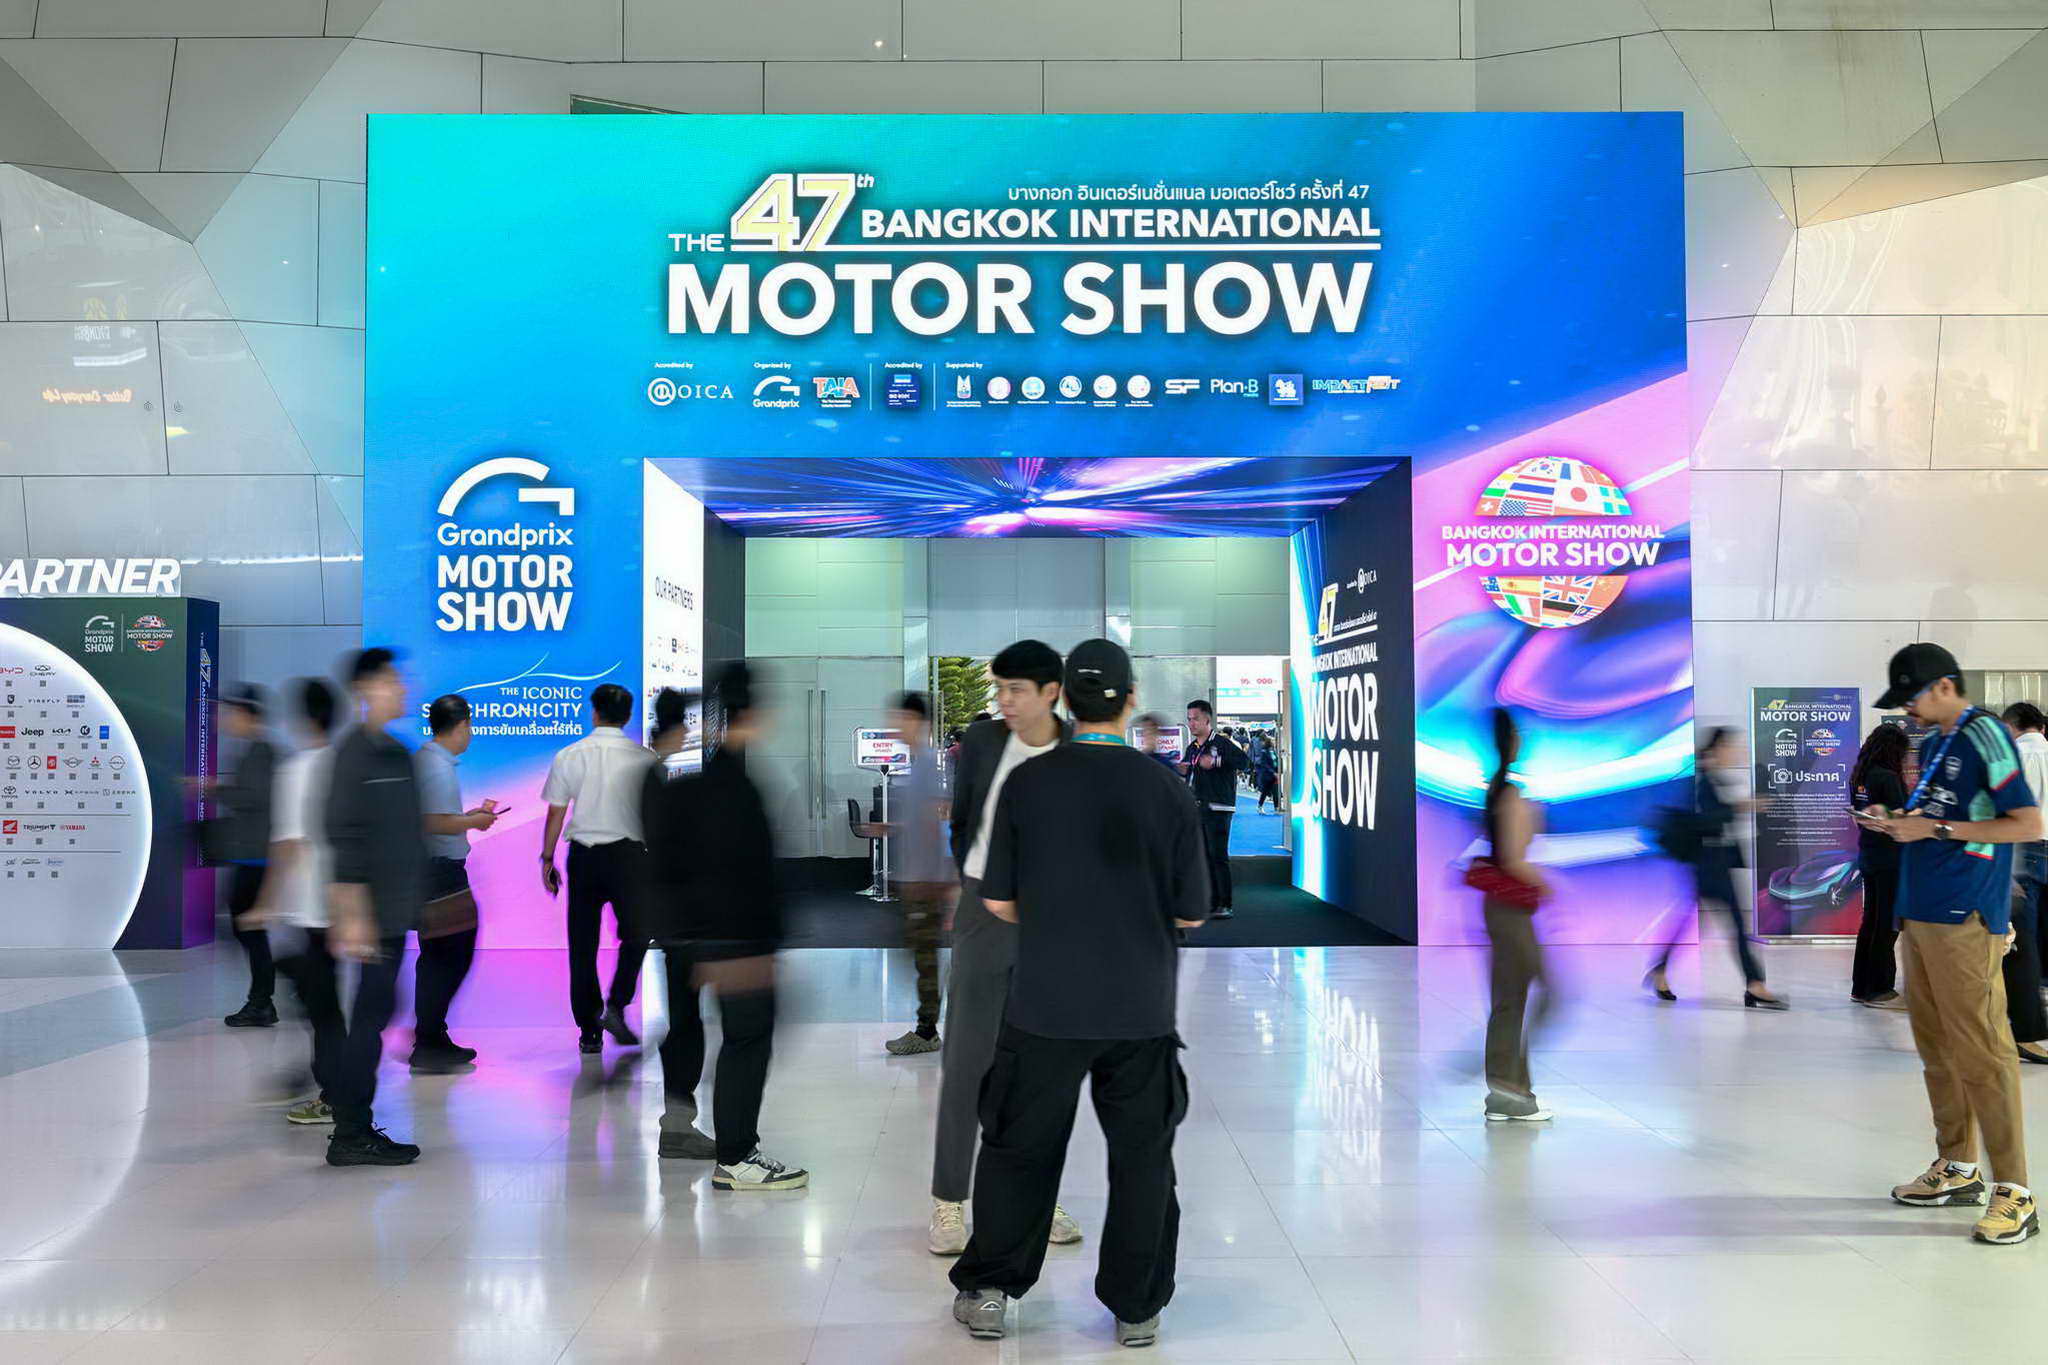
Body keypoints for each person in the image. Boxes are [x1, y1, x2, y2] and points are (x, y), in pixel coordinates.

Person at [948, 638, 1207, 1348]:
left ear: (1062, 699)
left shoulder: (1027, 784)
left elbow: (997, 899)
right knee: (1142, 1157)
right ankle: (1136, 1305)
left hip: (1044, 1005)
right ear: (1130, 700)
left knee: (1018, 1149)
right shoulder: (1167, 789)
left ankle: (993, 1289)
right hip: (1140, 1008)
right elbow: (1191, 911)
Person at [1867, 643, 2040, 1245]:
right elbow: (1938, 817)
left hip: (1963, 914)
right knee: (1937, 1048)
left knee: (1984, 1052)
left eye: (1911, 697)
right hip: (1920, 913)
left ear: (1943, 686)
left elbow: (2026, 822)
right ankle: (1958, 1165)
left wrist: (1935, 828)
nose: (1906, 711)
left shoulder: (1985, 734)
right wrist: (1899, 821)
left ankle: (2015, 1191)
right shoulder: (1937, 742)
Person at [928, 641, 1082, 1257]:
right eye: (999, 689)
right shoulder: (984, 740)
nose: (1005, 702)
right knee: (967, 1062)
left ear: (1052, 693)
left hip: (1052, 924)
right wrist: (975, 884)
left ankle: (1037, 1198)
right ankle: (948, 1199)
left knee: (1043, 1069)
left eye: (1016, 689)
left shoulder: (1077, 751)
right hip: (984, 912)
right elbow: (964, 820)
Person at [641, 663, 806, 1190]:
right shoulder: (736, 789)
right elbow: (748, 873)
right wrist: (763, 941)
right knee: (746, 1041)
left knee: (698, 1032)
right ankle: (736, 1155)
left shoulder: (689, 784)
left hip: (689, 937)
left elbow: (663, 863)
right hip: (736, 939)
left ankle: (691, 1131)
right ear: (751, 715)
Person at [321, 648, 426, 1166]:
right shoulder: (354, 755)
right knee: (370, 1018)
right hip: (372, 914)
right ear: (364, 689)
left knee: (378, 1013)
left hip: (396, 910)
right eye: (390, 680)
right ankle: (350, 1131)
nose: (400, 687)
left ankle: (349, 1120)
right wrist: (354, 914)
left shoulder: (397, 753)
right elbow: (343, 838)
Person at [541, 682, 656, 1054]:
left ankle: (589, 1031)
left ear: (594, 713)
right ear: (628, 715)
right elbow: (653, 815)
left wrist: (547, 858)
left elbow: (556, 812)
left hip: (584, 858)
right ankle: (617, 1004)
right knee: (638, 933)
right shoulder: (644, 759)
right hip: (629, 857)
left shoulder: (570, 755)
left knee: (582, 945)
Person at [252, 677, 341, 1127]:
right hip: (346, 902)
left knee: (320, 1005)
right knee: (326, 1000)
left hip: (310, 905)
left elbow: (287, 844)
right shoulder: (346, 765)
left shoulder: (297, 770)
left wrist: (265, 902)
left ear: (302, 719)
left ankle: (333, 1093)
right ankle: (328, 1082)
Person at [1647, 727, 1785, 1008]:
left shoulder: (1714, 779)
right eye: (1731, 746)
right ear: (1716, 749)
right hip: (1709, 863)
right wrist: (1741, 807)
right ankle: (1754, 984)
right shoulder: (1703, 783)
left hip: (1715, 861)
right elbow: (1707, 821)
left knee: (1702, 920)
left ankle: (1660, 969)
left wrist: (1738, 808)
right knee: (1733, 922)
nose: (1736, 751)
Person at [641, 689, 717, 1161]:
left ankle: (678, 1121)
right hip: (680, 918)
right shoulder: (654, 781)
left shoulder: (655, 776)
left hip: (672, 916)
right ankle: (677, 1124)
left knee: (685, 1020)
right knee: (686, 1023)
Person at [411, 694, 499, 1074]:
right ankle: (429, 1038)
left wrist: (466, 818)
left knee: (437, 955)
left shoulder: (427, 761)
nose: (471, 733)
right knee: (452, 953)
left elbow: (436, 816)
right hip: (441, 872)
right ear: (461, 725)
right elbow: (432, 822)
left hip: (432, 869)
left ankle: (430, 1036)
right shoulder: (436, 767)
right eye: (470, 725)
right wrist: (473, 822)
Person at [1477, 708, 1554, 1122]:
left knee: (1512, 998)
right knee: (1527, 997)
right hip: (1509, 909)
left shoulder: (1499, 789)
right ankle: (1508, 1090)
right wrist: (1548, 885)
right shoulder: (1508, 794)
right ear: (1510, 741)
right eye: (1518, 733)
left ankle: (1510, 1091)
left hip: (1504, 907)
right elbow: (1512, 858)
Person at [883, 691, 953, 1056]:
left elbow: (936, 825)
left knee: (925, 960)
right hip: (918, 881)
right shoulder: (918, 766)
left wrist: (936, 881)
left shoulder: (926, 766)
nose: (896, 725)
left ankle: (927, 1032)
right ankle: (927, 1027)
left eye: (901, 718)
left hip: (925, 884)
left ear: (916, 721)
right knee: (920, 958)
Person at [219, 684, 279, 1028]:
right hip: (252, 856)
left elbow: (253, 798)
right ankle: (263, 999)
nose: (228, 720)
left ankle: (262, 1001)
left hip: (257, 858)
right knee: (248, 929)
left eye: (232, 713)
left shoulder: (261, 753)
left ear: (247, 714)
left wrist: (217, 789)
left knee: (249, 929)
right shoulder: (256, 752)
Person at [1849, 723, 1911, 1008]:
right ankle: (1880, 988)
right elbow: (1899, 817)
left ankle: (1861, 987)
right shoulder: (1888, 778)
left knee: (1871, 921)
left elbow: (1858, 817)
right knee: (1886, 924)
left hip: (1869, 855)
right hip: (1890, 858)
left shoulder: (1860, 776)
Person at [2000, 703, 2048, 1064]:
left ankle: (2027, 1030)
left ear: (2012, 726)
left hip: (2023, 852)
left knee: (2021, 941)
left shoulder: (2016, 757)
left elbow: (2013, 814)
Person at [1179, 698, 1246, 920]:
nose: (1191, 723)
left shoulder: (1222, 743)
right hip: (1198, 807)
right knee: (1205, 856)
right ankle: (1212, 902)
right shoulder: (1192, 748)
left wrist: (1216, 762)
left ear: (1207, 719)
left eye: (1195, 719)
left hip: (1219, 807)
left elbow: (1245, 762)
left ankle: (1225, 903)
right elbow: (1190, 771)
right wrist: (1183, 770)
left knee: (1218, 856)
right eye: (1189, 719)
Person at [1253, 732, 1281, 814]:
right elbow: (1265, 764)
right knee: (1265, 792)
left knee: (1275, 792)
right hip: (1267, 775)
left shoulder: (1273, 751)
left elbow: (1276, 762)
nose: (1274, 742)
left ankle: (1276, 808)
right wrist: (1273, 772)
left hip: (1274, 775)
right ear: (1269, 743)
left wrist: (1278, 771)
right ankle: (1259, 806)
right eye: (1272, 741)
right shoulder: (1264, 752)